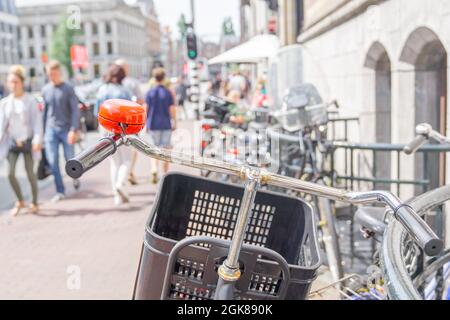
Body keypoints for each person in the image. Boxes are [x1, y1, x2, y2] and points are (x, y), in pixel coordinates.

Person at [0, 66, 43, 216]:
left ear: (22, 82)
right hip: (12, 143)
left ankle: (34, 203)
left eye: (15, 82)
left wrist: (38, 140)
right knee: (10, 173)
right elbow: (2, 125)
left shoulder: (30, 100)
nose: (13, 85)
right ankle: (20, 200)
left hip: (27, 143)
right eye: (10, 82)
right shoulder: (5, 103)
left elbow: (37, 123)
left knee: (30, 173)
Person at [42, 60, 80, 203]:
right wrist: (41, 134)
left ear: (59, 72)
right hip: (50, 131)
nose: (52, 76)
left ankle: (75, 177)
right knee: (53, 162)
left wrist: (73, 130)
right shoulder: (45, 89)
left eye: (54, 73)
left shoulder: (68, 88)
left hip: (66, 130)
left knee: (70, 159)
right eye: (49, 74)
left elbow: (75, 111)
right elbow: (44, 114)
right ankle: (60, 191)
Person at [96, 64, 133, 206]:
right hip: (122, 129)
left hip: (106, 130)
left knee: (114, 162)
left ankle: (116, 196)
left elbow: (96, 113)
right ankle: (121, 184)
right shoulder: (124, 91)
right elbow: (130, 111)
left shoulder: (102, 90)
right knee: (127, 160)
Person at [114, 59, 144, 186]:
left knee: (117, 155)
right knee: (133, 148)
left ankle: (122, 176)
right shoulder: (132, 83)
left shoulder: (110, 84)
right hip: (130, 123)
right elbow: (141, 101)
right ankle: (129, 172)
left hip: (114, 124)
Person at [144, 68, 177, 184]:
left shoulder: (150, 92)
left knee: (154, 148)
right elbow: (172, 109)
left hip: (153, 123)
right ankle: (164, 174)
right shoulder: (168, 92)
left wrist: (145, 123)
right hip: (166, 124)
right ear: (164, 78)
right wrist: (174, 121)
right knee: (166, 149)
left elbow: (146, 108)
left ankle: (154, 169)